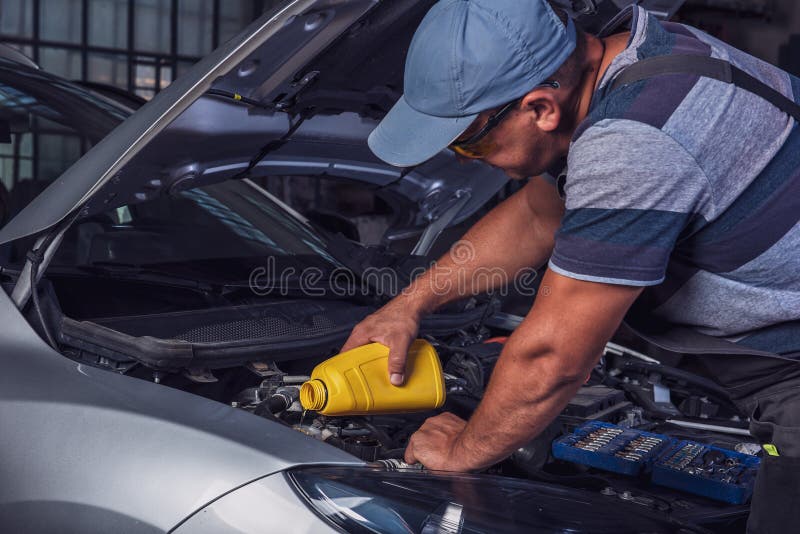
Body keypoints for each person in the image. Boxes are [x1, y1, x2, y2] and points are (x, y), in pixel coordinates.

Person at [340, 1, 800, 532]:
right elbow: (538, 217)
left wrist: (462, 452)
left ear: (540, 108)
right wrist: (409, 306)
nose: (468, 160)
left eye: (469, 144)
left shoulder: (633, 142)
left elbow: (553, 359)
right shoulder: (644, 53)